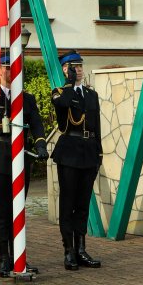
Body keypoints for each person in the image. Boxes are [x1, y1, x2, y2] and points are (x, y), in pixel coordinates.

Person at [0, 54, 48, 277]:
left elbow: (36, 123)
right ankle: (4, 257)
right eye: (7, 67)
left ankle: (20, 256)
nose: (10, 72)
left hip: (21, 158)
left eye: (14, 68)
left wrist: (41, 144)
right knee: (3, 211)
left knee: (19, 210)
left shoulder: (26, 98)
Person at [51, 50, 103, 271]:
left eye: (80, 66)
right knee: (68, 202)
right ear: (65, 69)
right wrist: (70, 84)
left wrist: (99, 152)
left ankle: (81, 249)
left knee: (83, 203)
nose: (79, 70)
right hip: (70, 150)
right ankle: (68, 251)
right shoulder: (60, 92)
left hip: (89, 151)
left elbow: (97, 125)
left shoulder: (91, 95)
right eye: (73, 67)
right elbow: (62, 107)